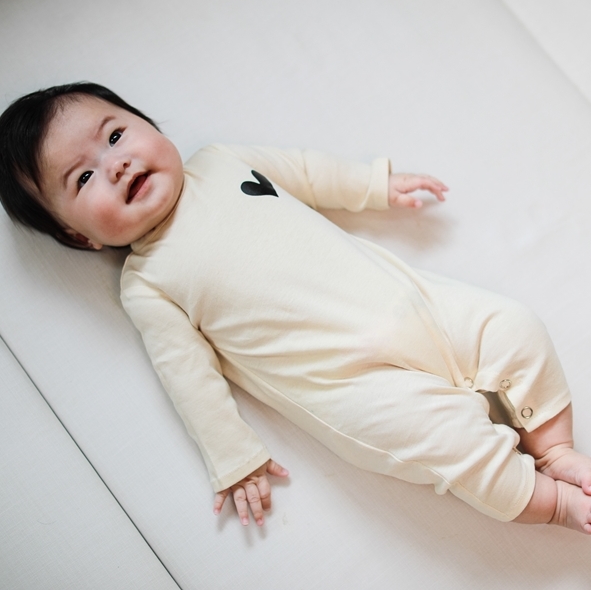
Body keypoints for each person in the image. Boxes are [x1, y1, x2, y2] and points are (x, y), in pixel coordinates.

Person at [1, 82, 590, 535]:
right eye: (83, 178)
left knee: (514, 327)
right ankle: (557, 504)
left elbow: (305, 172)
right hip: (350, 386)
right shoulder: (148, 282)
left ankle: (554, 447)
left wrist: (372, 185)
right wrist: (233, 455)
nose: (116, 165)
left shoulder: (221, 162)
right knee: (447, 445)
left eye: (114, 137)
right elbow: (187, 378)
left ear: (147, 125)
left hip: (415, 305)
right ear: (80, 237)